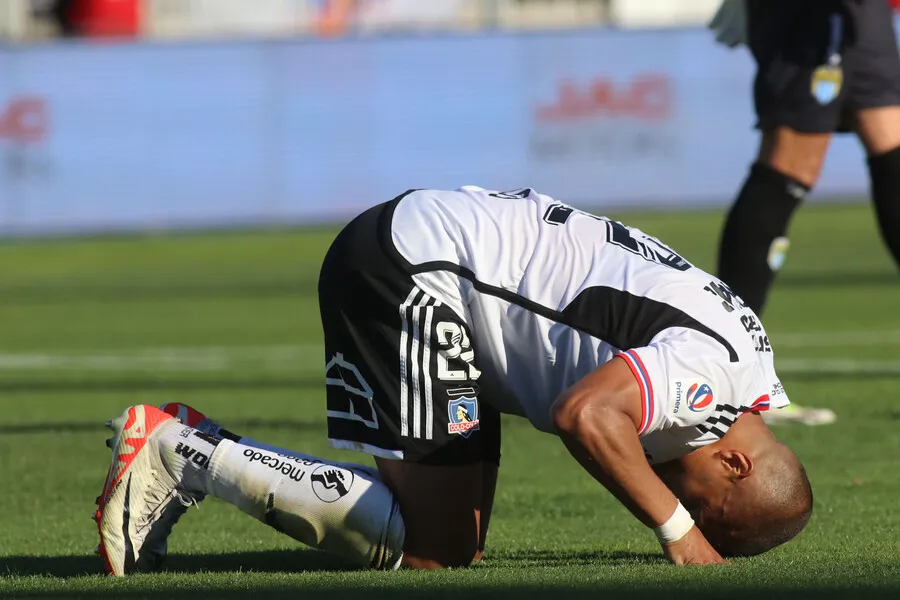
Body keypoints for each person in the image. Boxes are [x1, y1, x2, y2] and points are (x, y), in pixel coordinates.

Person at [92, 187, 814, 575]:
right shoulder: (710, 376)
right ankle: (180, 451)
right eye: (698, 495)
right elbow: (587, 417)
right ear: (734, 460)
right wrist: (680, 532)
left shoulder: (742, 359)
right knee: (430, 549)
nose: (665, 487)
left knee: (455, 549)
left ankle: (188, 449)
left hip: (442, 271)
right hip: (418, 270)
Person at [708, 0, 900, 425]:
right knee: (789, 161)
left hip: (865, 14)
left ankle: (725, 365)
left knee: (892, 142)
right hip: (810, 13)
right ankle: (727, 369)